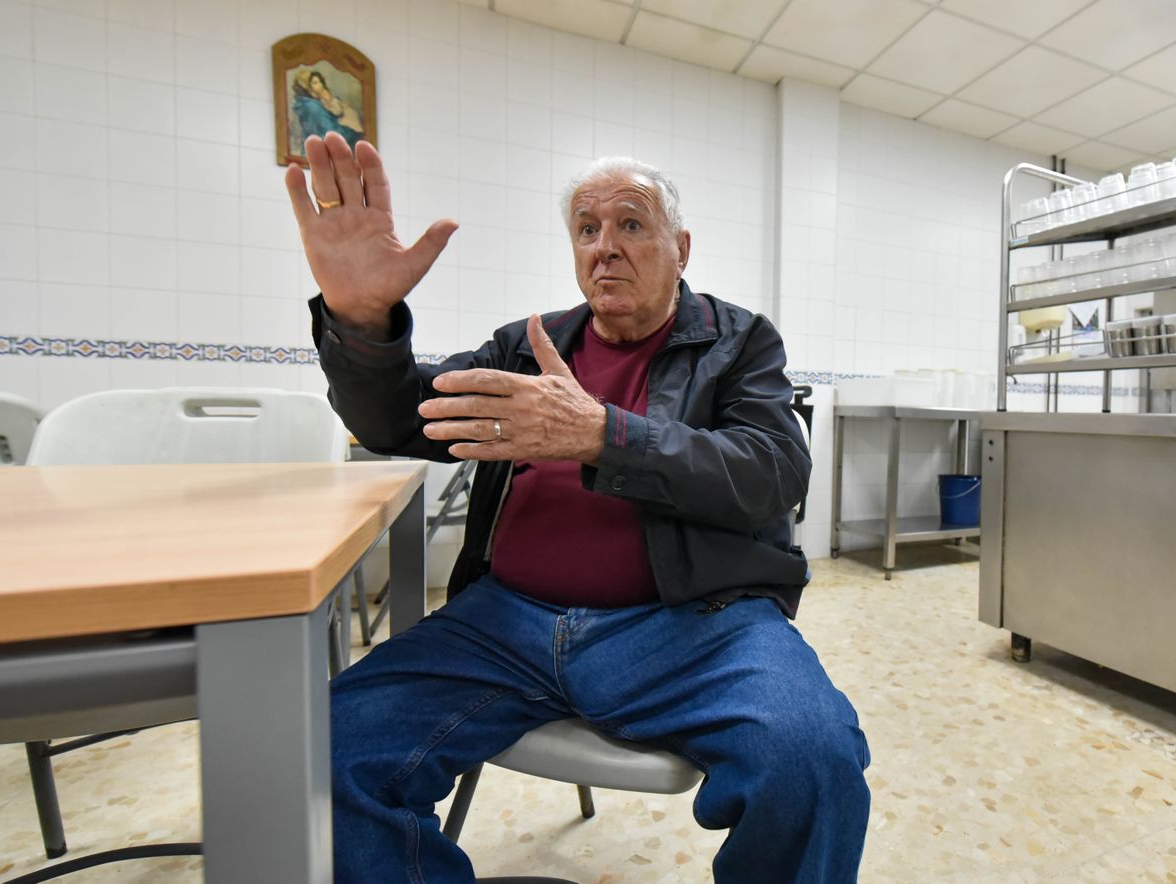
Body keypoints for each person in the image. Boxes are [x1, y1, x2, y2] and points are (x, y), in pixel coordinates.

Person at [284, 130, 871, 884]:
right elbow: (399, 420)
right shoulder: (526, 346)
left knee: (812, 761)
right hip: (503, 624)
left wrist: (601, 434)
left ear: (681, 248)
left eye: (631, 224)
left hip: (690, 625)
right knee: (325, 747)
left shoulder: (739, 343)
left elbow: (773, 472)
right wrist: (363, 324)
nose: (605, 246)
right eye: (587, 229)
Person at [291, 69, 362, 149]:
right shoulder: (313, 107)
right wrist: (351, 132)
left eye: (320, 82)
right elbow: (329, 132)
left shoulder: (310, 103)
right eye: (314, 83)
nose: (320, 86)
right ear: (307, 86)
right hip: (322, 149)